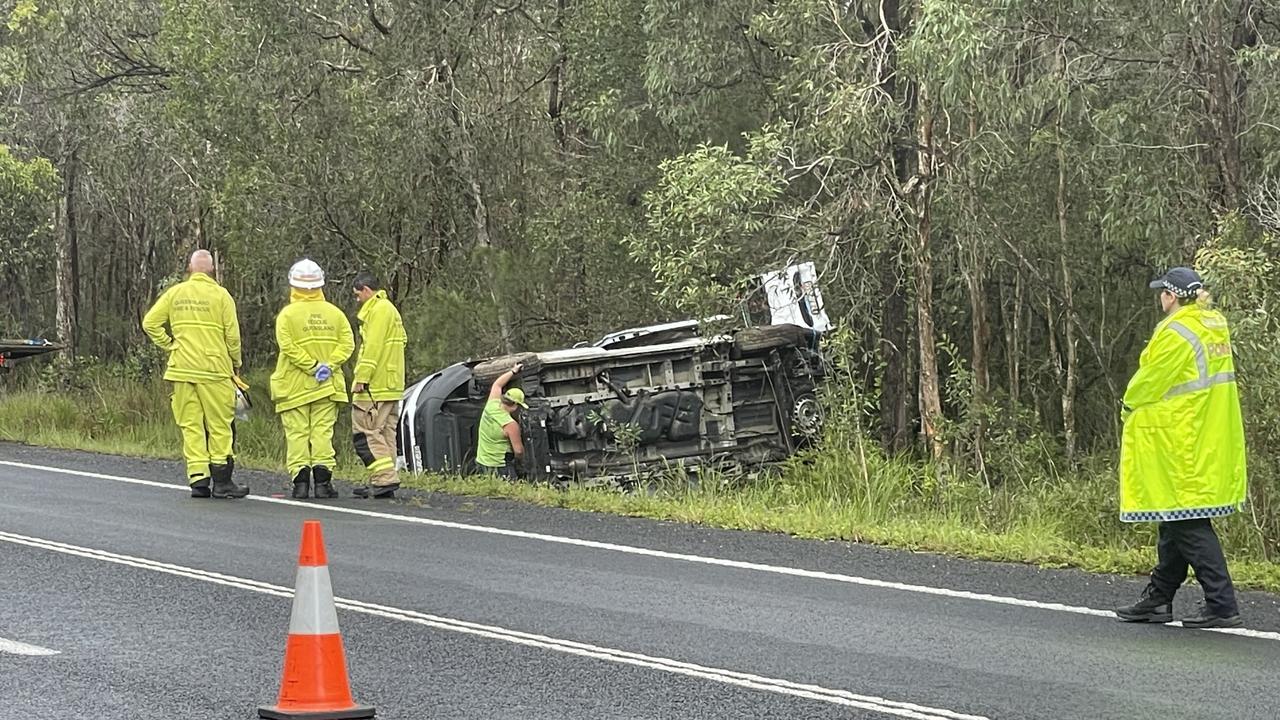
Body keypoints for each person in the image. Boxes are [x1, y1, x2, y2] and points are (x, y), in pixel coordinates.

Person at [1114, 267, 1248, 629]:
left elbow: (1151, 380)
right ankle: (1159, 599)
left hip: (1178, 437)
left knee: (1187, 521)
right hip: (1206, 433)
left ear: (1170, 296)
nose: (1160, 297)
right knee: (1173, 517)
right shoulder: (1213, 323)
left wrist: (1127, 404)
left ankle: (1222, 603)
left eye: (1162, 292)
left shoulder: (1175, 332)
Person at [142, 249, 249, 499]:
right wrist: (236, 362)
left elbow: (150, 323)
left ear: (190, 269)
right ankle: (222, 481)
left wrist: (171, 345)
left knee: (191, 425)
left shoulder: (176, 293)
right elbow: (232, 336)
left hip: (181, 370)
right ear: (212, 269)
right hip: (214, 370)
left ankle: (198, 479)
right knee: (220, 425)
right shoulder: (221, 296)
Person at [270, 259, 355, 499]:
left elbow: (287, 346)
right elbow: (347, 344)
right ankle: (322, 483)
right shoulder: (335, 314)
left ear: (293, 286)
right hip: (326, 386)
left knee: (297, 433)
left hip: (294, 386)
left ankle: (300, 484)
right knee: (322, 431)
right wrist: (328, 365)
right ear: (320, 285)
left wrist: (311, 366)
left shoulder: (287, 315)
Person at [350, 271, 407, 499]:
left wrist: (362, 377)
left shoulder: (378, 311)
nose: (357, 300)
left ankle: (384, 478)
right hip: (392, 384)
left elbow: (372, 348)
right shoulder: (390, 310)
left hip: (376, 384)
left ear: (366, 290)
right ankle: (384, 478)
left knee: (365, 431)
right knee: (385, 432)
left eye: (357, 295)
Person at [476, 362, 528, 478]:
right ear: (514, 405)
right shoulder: (510, 425)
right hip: (501, 467)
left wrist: (513, 371)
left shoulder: (491, 405)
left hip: (482, 462)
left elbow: (497, 385)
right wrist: (522, 462)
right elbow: (519, 451)